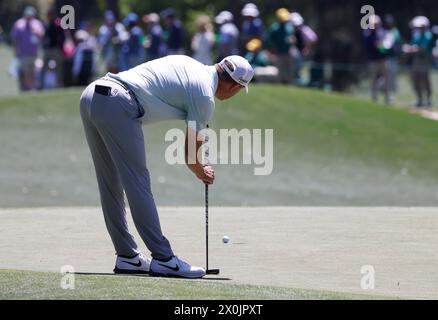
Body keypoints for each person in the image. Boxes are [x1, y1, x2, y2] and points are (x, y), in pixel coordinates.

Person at [79, 55, 254, 278]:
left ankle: (128, 257)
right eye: (239, 90)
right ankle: (164, 259)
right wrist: (203, 172)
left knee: (109, 183)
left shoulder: (191, 64)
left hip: (92, 95)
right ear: (233, 87)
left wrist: (199, 164)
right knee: (137, 182)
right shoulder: (204, 97)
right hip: (118, 102)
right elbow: (190, 156)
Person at [10, 6, 45, 91]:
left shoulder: (37, 24)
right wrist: (15, 51)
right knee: (24, 73)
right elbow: (14, 39)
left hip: (34, 53)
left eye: (31, 15)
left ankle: (32, 89)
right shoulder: (19, 24)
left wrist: (36, 32)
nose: (29, 17)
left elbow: (42, 35)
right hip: (23, 54)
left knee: (34, 73)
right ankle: (25, 90)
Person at [404, 16, 434, 108]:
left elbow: (423, 48)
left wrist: (411, 49)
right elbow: (413, 45)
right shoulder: (416, 35)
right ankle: (420, 100)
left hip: (425, 60)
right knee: (416, 80)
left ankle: (428, 100)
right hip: (416, 61)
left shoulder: (428, 35)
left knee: (425, 81)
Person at [363, 15, 391, 105]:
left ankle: (387, 100)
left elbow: (385, 45)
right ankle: (374, 99)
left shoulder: (382, 32)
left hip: (383, 60)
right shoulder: (367, 34)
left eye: (377, 24)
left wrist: (382, 46)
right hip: (373, 60)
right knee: (373, 80)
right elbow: (370, 46)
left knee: (386, 80)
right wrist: (377, 45)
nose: (375, 25)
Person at [265, 8, 295, 84]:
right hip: (279, 54)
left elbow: (292, 39)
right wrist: (270, 53)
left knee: (290, 73)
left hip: (289, 54)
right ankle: (280, 86)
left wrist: (292, 47)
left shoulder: (289, 27)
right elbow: (268, 42)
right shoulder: (274, 28)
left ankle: (290, 86)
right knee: (280, 74)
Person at [289, 12, 318, 85]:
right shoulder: (289, 30)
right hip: (290, 56)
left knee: (301, 72)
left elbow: (313, 38)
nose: (296, 26)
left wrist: (307, 49)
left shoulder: (304, 29)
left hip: (301, 55)